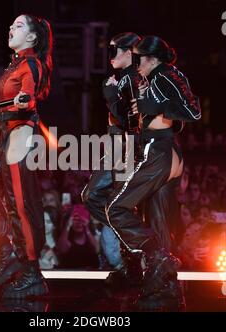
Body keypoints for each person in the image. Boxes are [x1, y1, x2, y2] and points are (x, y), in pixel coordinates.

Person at [103, 35, 201, 310]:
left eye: (137, 59)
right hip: (160, 149)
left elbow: (192, 112)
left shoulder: (164, 75)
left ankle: (157, 258)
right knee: (159, 224)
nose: (135, 64)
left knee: (116, 209)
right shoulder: (154, 78)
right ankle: (166, 289)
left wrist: (159, 106)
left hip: (159, 151)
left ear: (150, 58)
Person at [0, 14, 53, 299]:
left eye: (18, 26)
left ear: (32, 37)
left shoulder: (31, 63)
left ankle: (31, 273)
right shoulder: (16, 62)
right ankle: (7, 250)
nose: (10, 28)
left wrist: (26, 99)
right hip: (2, 134)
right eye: (11, 24)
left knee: (20, 205)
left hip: (19, 134)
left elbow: (30, 93)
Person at [82, 32, 144, 285]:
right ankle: (134, 257)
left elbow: (131, 122)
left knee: (117, 204)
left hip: (128, 149)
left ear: (129, 53)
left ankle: (135, 263)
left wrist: (109, 94)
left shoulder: (133, 79)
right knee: (97, 198)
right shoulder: (122, 79)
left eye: (114, 51)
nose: (109, 57)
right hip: (117, 148)